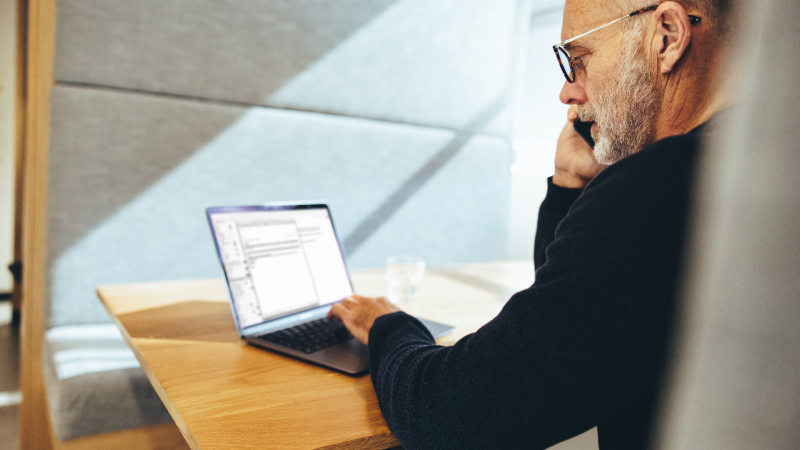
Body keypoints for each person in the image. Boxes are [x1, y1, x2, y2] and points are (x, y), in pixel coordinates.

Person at [328, 0, 736, 448]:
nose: (567, 93)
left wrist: (389, 324)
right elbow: (563, 330)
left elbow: (449, 415)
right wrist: (568, 184)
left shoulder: (663, 182)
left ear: (668, 35)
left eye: (579, 60)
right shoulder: (742, 172)